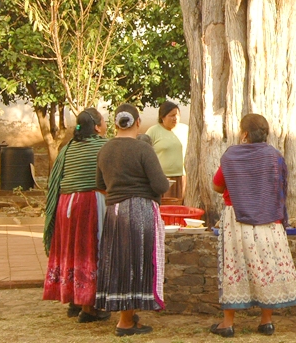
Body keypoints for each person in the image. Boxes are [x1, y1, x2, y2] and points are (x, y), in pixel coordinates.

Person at [209, 114, 296, 338]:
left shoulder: (231, 156)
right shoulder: (275, 157)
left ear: (244, 134)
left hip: (237, 219)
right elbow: (281, 187)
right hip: (268, 218)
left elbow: (217, 185)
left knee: (233, 267)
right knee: (267, 267)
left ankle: (228, 323)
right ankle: (266, 322)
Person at [95, 104, 170, 337]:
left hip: (114, 211)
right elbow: (161, 185)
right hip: (139, 209)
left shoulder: (105, 150)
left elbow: (100, 185)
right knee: (136, 263)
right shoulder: (143, 149)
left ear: (116, 123)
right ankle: (125, 322)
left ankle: (126, 316)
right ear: (138, 122)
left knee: (120, 261)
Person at [43, 108, 110, 322]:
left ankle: (74, 300)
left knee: (72, 249)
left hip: (66, 204)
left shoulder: (67, 148)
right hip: (89, 202)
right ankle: (89, 309)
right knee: (89, 249)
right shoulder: (104, 146)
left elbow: (56, 179)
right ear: (97, 127)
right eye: (104, 121)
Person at [146, 101, 189, 201]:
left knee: (180, 207)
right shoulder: (153, 131)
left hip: (182, 177)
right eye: (172, 115)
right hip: (163, 179)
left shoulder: (185, 129)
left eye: (177, 115)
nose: (175, 118)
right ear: (162, 117)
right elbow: (145, 152)